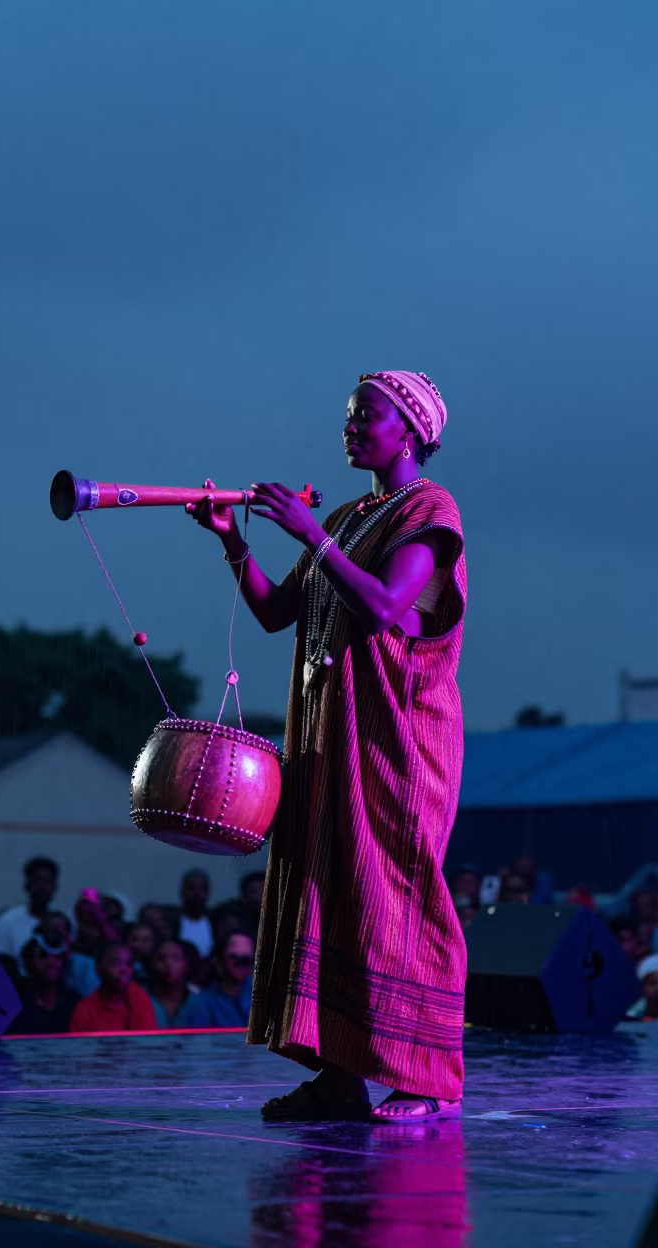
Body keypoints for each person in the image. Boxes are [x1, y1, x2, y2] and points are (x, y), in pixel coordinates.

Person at [190, 369, 466, 1123]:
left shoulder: (430, 510)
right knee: (329, 885)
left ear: (408, 430)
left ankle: (427, 1075)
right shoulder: (349, 516)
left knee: (395, 891)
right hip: (327, 728)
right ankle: (339, 1075)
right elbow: (282, 612)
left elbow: (382, 607)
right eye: (347, 416)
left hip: (396, 740)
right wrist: (233, 544)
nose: (350, 426)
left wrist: (309, 534)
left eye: (365, 416)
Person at [6, 926, 81, 1035]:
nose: (51, 962)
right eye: (43, 955)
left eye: (58, 957)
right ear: (29, 962)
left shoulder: (73, 1002)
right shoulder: (14, 1002)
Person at [69, 943, 158, 1032]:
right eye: (116, 963)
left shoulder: (140, 997)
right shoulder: (85, 1010)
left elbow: (149, 1041)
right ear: (98, 969)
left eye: (128, 964)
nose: (124, 970)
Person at [0, 858, 59, 964]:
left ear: (54, 887)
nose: (42, 887)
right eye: (37, 881)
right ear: (26, 886)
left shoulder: (61, 923)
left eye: (47, 882)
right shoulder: (7, 921)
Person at [190, 930, 255, 1029]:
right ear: (219, 961)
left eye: (247, 959)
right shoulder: (202, 1003)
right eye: (234, 958)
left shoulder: (263, 996)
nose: (241, 964)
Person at [147, 940, 204, 1029]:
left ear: (186, 964)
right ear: (152, 964)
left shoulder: (200, 1001)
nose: (168, 964)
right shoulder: (142, 998)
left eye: (175, 958)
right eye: (161, 958)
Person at [178, 869, 213, 958]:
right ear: (182, 892)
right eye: (191, 887)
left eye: (202, 888)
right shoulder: (172, 922)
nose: (197, 893)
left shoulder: (216, 921)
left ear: (208, 893)